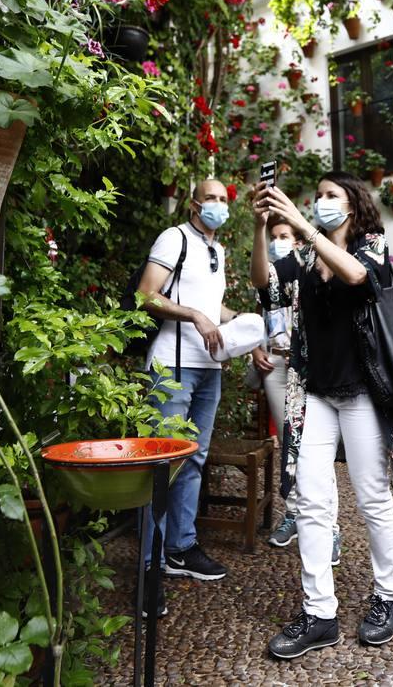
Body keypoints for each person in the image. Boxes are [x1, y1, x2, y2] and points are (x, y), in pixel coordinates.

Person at [251, 171, 393, 659]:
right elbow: (266, 286)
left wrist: (304, 225)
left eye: (330, 195)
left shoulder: (371, 246)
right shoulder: (301, 257)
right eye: (316, 195)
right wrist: (262, 229)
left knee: (372, 499)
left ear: (352, 203)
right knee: (311, 502)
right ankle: (319, 612)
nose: (320, 201)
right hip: (315, 393)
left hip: (362, 392)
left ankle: (390, 597)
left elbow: (358, 277)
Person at [136, 178, 257, 586]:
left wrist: (247, 334)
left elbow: (212, 306)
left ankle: (180, 548)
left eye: (224, 200)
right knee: (162, 462)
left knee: (193, 460)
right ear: (193, 204)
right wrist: (194, 316)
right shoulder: (175, 239)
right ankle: (150, 566)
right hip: (171, 369)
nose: (218, 205)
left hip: (209, 369)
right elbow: (146, 296)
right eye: (211, 198)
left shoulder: (216, 249)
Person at [258, 214, 342, 567]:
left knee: (313, 448)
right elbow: (261, 310)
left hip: (306, 366)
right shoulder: (269, 271)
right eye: (274, 235)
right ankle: (293, 513)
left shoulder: (307, 266)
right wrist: (254, 348)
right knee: (291, 443)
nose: (280, 241)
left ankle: (330, 528)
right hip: (275, 368)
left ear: (298, 239)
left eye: (285, 235)